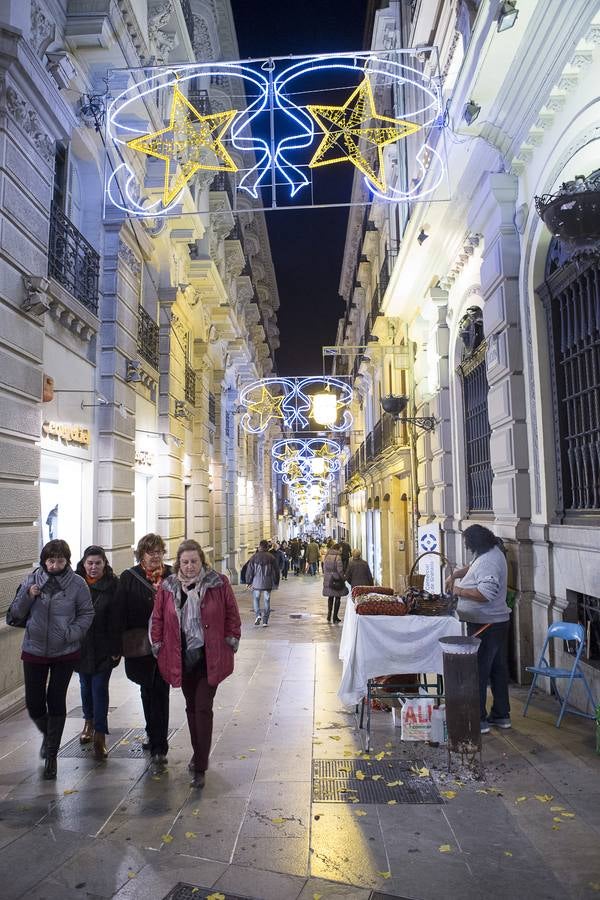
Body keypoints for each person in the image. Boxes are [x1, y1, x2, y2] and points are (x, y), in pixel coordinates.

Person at [150, 540, 241, 789]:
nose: (190, 566)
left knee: (202, 707)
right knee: (191, 708)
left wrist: (232, 639)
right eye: (185, 562)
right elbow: (157, 617)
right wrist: (157, 644)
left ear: (202, 561)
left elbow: (232, 614)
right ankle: (197, 754)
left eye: (194, 561)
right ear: (179, 563)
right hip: (180, 657)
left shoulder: (218, 583)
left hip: (207, 656)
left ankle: (200, 766)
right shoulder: (167, 587)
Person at [9, 539, 94, 779]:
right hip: (34, 649)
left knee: (56, 699)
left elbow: (87, 612)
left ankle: (52, 754)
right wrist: (28, 595)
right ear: (44, 560)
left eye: (60, 560)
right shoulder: (33, 579)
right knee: (34, 703)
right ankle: (50, 735)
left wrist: (71, 634)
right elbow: (15, 613)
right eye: (51, 560)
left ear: (67, 560)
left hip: (64, 652)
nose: (55, 565)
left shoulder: (77, 584)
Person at [115, 533, 172, 774]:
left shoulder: (172, 575)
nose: (156, 556)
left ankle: (160, 744)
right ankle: (151, 732)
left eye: (159, 551)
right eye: (151, 552)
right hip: (140, 645)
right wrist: (116, 647)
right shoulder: (129, 577)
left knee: (161, 691)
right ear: (142, 554)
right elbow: (119, 611)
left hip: (167, 645)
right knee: (146, 690)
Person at [447, 524, 511, 734]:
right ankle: (501, 716)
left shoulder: (490, 561)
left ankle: (479, 720)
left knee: (479, 671)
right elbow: (473, 566)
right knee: (497, 670)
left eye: (468, 544)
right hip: (495, 621)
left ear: (476, 543)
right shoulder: (489, 552)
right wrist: (456, 574)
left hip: (487, 623)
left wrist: (458, 590)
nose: (467, 548)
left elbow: (485, 593)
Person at [75, 546, 121, 760]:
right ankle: (88, 723)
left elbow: (118, 619)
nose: (93, 567)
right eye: (90, 563)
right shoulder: (75, 583)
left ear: (104, 564)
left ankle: (100, 734)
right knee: (85, 687)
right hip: (81, 647)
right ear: (84, 564)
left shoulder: (114, 585)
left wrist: (116, 648)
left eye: (98, 563)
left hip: (104, 646)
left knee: (99, 689)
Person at [245, 539, 280, 627]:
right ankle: (265, 621)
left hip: (256, 582)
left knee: (256, 599)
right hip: (268, 582)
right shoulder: (271, 558)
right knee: (267, 601)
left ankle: (258, 615)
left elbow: (250, 571)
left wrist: (248, 581)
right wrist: (276, 581)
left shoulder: (254, 557)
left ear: (260, 546)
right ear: (267, 547)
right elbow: (276, 571)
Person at [322, 542, 349, 624]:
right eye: (340, 549)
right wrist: (343, 578)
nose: (341, 550)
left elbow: (324, 567)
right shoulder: (337, 557)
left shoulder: (327, 555)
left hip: (328, 579)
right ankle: (335, 617)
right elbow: (340, 570)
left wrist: (327, 575)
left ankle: (329, 615)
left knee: (330, 597)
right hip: (336, 580)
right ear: (337, 549)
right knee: (337, 597)